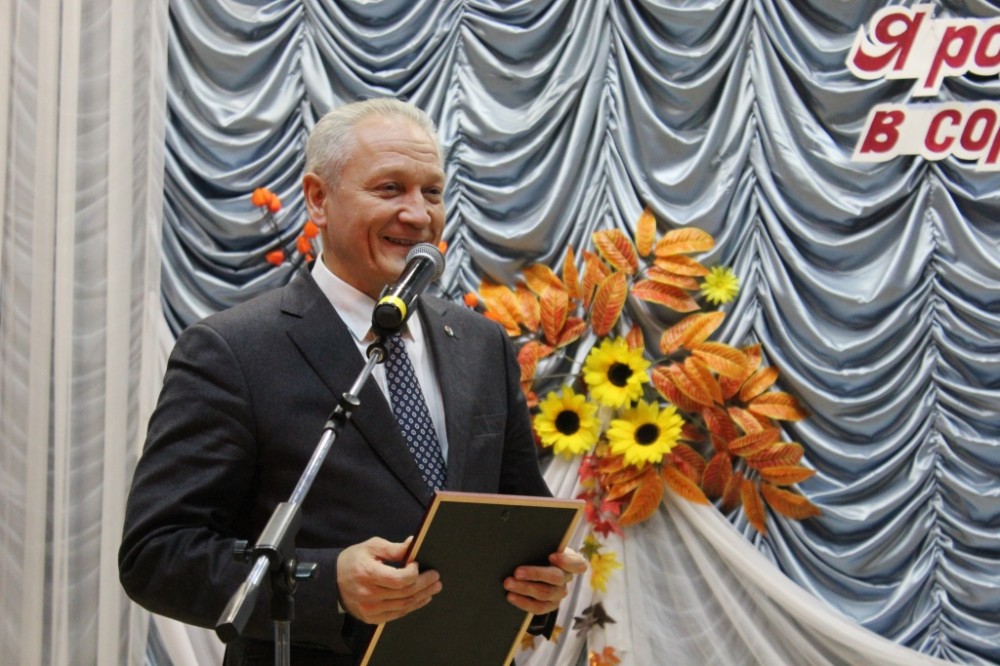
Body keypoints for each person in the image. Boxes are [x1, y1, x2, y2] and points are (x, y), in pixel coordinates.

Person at [119, 97, 587, 665]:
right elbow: (157, 554)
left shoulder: (481, 343)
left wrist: (541, 584)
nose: (418, 215)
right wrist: (329, 585)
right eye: (390, 189)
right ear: (318, 199)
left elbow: (520, 517)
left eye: (432, 192)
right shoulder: (232, 350)